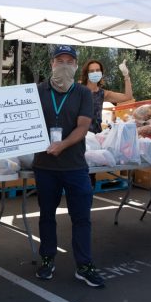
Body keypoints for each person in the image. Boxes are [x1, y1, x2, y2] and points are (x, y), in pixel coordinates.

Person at [33, 45, 104, 288]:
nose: (64, 65)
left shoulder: (83, 93)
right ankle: (47, 259)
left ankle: (84, 265)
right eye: (59, 60)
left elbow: (83, 126)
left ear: (75, 66)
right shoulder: (36, 91)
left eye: (69, 61)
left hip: (74, 165)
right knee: (46, 216)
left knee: (82, 217)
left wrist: (62, 145)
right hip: (45, 166)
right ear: (51, 64)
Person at [79, 58, 133, 133]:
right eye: (91, 71)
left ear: (101, 73)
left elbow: (128, 96)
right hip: (78, 136)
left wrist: (126, 75)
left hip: (95, 136)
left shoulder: (103, 93)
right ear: (86, 74)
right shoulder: (78, 91)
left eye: (97, 70)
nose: (95, 73)